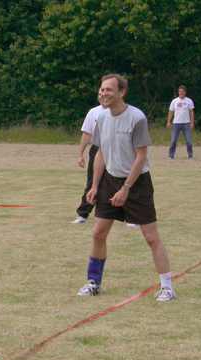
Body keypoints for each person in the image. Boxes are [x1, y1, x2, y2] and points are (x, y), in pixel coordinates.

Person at [78, 74, 176, 301]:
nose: (103, 94)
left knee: (151, 236)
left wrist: (126, 188)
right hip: (109, 181)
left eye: (109, 90)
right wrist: (94, 186)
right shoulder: (100, 117)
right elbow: (100, 153)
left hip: (136, 183)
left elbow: (141, 157)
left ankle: (167, 288)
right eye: (102, 89)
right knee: (98, 232)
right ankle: (93, 283)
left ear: (122, 92)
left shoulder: (136, 117)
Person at [72, 91, 103, 224]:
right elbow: (86, 134)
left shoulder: (122, 112)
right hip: (97, 149)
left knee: (120, 181)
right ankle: (83, 215)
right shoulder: (93, 112)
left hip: (116, 149)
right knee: (92, 182)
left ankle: (131, 217)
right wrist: (80, 154)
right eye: (100, 93)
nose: (102, 96)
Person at [166, 86, 195, 159]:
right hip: (176, 123)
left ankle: (190, 155)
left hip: (186, 123)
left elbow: (191, 112)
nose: (181, 92)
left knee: (188, 141)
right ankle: (170, 155)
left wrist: (192, 123)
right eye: (180, 91)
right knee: (173, 141)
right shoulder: (174, 101)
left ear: (185, 92)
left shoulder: (189, 101)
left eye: (182, 91)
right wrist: (168, 122)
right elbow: (171, 112)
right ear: (178, 92)